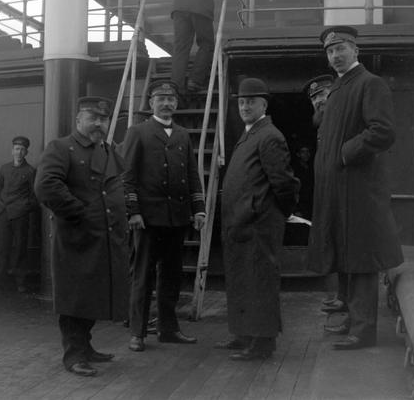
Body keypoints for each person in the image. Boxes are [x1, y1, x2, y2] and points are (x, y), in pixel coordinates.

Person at [307, 26, 404, 350]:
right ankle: (352, 318)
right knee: (345, 254)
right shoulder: (338, 87)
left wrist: (345, 153)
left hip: (359, 189)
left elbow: (383, 131)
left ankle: (364, 331)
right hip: (338, 189)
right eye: (330, 51)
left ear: (355, 50)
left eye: (341, 49)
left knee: (360, 258)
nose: (335, 55)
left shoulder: (369, 83)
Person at [34, 96, 130, 377]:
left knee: (93, 295)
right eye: (92, 118)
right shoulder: (61, 147)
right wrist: (80, 213)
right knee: (75, 298)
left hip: (105, 238)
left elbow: (118, 186)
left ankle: (85, 348)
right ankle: (74, 355)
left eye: (103, 119)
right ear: (78, 120)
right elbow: (46, 185)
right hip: (76, 237)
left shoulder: (108, 150)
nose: (99, 123)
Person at [218, 78, 299, 361]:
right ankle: (244, 333)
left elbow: (284, 183)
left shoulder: (269, 136)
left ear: (264, 105)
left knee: (260, 282)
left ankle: (262, 343)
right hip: (242, 222)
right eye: (241, 102)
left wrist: (275, 213)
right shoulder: (250, 133)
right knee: (243, 279)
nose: (244, 107)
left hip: (258, 223)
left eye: (251, 102)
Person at [122, 80, 205, 353]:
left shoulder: (182, 134)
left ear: (176, 104)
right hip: (147, 218)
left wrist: (199, 208)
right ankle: (137, 332)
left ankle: (168, 329)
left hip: (177, 218)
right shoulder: (138, 132)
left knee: (171, 275)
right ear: (151, 104)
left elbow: (192, 174)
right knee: (143, 276)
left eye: (171, 99)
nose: (167, 103)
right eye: (161, 99)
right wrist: (133, 211)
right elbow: (127, 176)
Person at [302, 75, 346, 314]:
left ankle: (346, 300)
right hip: (327, 195)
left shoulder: (341, 120)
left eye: (323, 94)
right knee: (333, 247)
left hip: (342, 196)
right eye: (314, 98)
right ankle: (341, 297)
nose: (319, 100)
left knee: (345, 248)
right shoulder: (322, 125)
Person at [0, 136, 36, 292]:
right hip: (4, 213)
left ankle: (20, 282)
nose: (19, 152)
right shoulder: (4, 168)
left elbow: (34, 195)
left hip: (20, 215)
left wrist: (24, 208)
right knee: (2, 248)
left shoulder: (30, 171)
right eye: (17, 149)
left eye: (23, 149)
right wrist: (0, 206)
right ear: (12, 151)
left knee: (20, 248)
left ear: (26, 152)